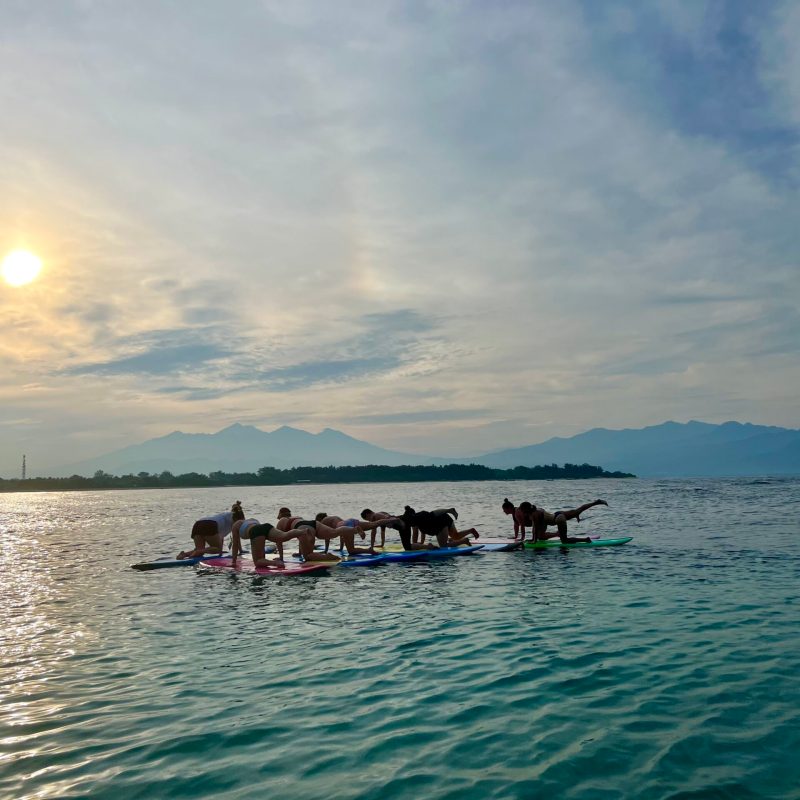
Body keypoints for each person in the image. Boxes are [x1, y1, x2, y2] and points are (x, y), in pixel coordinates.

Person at [276, 508, 375, 556]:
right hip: (312, 524)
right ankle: (354, 530)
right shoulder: (297, 517)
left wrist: (281, 558)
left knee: (308, 556)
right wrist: (299, 553)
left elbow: (278, 540)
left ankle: (327, 556)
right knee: (334, 532)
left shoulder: (281, 521)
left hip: (303, 527)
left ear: (281, 514)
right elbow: (300, 538)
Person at [231, 517, 319, 568]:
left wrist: (234, 562)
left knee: (257, 562)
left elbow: (235, 544)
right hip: (266, 526)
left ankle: (276, 563)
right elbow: (261, 540)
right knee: (284, 535)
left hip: (255, 532)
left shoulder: (235, 525)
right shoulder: (251, 519)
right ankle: (303, 531)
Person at [177, 500, 245, 560]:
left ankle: (184, 554)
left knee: (200, 551)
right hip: (209, 524)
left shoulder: (227, 515)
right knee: (215, 549)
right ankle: (198, 551)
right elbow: (236, 538)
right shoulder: (234, 522)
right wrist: (241, 551)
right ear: (237, 520)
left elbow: (220, 537)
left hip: (198, 524)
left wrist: (220, 552)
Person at [396, 506, 478, 550]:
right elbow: (422, 533)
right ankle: (470, 530)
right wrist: (420, 543)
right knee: (455, 536)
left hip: (440, 523)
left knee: (443, 546)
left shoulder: (414, 520)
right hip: (445, 517)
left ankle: (464, 541)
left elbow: (415, 533)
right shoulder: (419, 518)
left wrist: (415, 545)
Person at [529, 499, 609, 544]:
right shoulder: (538, 510)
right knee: (579, 510)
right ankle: (596, 502)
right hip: (558, 514)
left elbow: (535, 528)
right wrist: (533, 539)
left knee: (565, 541)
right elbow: (537, 528)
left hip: (558, 519)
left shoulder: (534, 515)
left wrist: (533, 540)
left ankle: (585, 540)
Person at [315, 513, 400, 552]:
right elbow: (342, 533)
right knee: (373, 524)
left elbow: (327, 537)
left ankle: (369, 550)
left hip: (346, 526)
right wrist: (341, 548)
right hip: (350, 521)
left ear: (319, 519)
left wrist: (326, 550)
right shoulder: (334, 518)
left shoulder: (323, 521)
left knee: (351, 551)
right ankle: (392, 519)